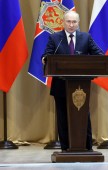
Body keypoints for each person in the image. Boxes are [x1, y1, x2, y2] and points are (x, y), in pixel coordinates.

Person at [42, 10, 104, 152]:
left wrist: (98, 59)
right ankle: (65, 148)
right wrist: (45, 59)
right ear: (63, 22)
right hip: (60, 86)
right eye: (68, 21)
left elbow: (99, 55)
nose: (71, 25)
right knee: (63, 118)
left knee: (83, 118)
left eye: (74, 22)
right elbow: (47, 55)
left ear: (78, 23)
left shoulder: (85, 37)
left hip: (81, 87)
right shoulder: (55, 38)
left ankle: (87, 148)